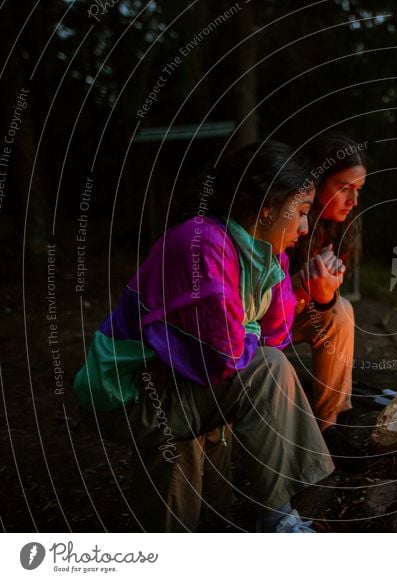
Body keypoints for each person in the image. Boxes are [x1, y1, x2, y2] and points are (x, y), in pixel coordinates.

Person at [73, 141, 335, 532]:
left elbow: (274, 338)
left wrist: (301, 289)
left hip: (172, 381)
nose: (305, 228)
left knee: (269, 366)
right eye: (300, 213)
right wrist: (250, 331)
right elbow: (225, 357)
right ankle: (278, 519)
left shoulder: (266, 256)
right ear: (267, 209)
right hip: (124, 394)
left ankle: (275, 513)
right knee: (268, 370)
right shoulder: (205, 245)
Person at [280, 134, 366, 446]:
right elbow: (260, 301)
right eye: (344, 188)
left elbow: (324, 299)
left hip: (295, 312)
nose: (353, 201)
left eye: (358, 190)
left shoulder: (343, 227)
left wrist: (324, 294)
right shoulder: (284, 218)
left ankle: (328, 426)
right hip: (259, 322)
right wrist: (303, 286)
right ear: (316, 181)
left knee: (341, 311)